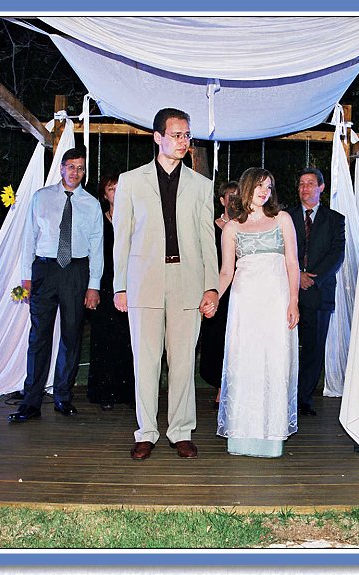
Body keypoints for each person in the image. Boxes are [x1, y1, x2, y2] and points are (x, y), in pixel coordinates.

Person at [113, 108, 219, 460]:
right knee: (145, 362)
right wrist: (119, 286)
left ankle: (181, 430)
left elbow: (207, 241)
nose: (183, 141)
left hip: (187, 282)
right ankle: (146, 431)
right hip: (143, 281)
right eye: (176, 135)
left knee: (183, 362)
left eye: (187, 135)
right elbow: (121, 239)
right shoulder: (130, 181)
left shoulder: (202, 185)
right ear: (158, 137)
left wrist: (211, 286)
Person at [10, 148, 103, 422]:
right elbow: (29, 237)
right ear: (61, 168)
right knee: (39, 336)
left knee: (72, 335)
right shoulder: (41, 198)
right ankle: (31, 402)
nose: (75, 172)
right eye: (71, 167)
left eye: (81, 168)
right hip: (45, 270)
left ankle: (63, 395)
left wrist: (94, 285)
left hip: (76, 271)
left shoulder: (91, 204)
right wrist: (26, 276)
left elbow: (97, 247)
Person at [215, 167, 299, 457]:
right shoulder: (231, 228)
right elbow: (226, 271)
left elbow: (292, 263)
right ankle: (241, 435)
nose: (265, 191)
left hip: (276, 300)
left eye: (269, 186)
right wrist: (213, 297)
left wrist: (293, 301)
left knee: (275, 362)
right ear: (246, 187)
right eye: (260, 185)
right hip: (245, 303)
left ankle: (272, 436)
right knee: (244, 362)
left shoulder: (283, 219)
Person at [287, 168, 345, 416]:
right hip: (288, 290)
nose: (305, 188)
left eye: (310, 183)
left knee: (313, 348)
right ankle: (282, 395)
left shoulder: (335, 219)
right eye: (301, 183)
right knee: (286, 347)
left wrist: (313, 278)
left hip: (319, 293)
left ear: (321, 187)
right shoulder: (285, 216)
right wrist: (297, 275)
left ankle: (303, 398)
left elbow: (336, 253)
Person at [86, 174, 135, 411]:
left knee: (128, 339)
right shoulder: (98, 219)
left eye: (119, 188)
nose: (116, 192)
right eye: (111, 189)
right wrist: (92, 286)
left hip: (130, 283)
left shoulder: (134, 219)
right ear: (104, 195)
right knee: (104, 338)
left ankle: (129, 392)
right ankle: (104, 392)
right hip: (104, 283)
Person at [197, 181, 240, 407]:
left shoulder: (245, 226)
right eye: (230, 196)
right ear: (222, 200)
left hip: (240, 290)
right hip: (216, 288)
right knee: (214, 338)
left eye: (238, 196)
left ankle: (229, 389)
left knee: (236, 339)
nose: (234, 200)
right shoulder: (210, 226)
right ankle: (219, 385)